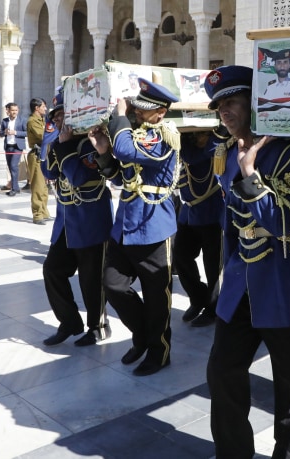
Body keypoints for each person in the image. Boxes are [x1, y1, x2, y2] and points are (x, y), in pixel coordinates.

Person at [202, 65, 290, 458]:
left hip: (287, 284)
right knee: (223, 372)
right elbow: (229, 224)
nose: (224, 113)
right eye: (219, 107)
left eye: (231, 103)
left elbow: (285, 222)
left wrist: (250, 175)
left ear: (255, 102)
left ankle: (287, 453)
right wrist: (227, 277)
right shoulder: (225, 154)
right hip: (241, 284)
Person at [89, 78, 180, 376]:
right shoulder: (135, 135)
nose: (137, 114)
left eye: (143, 111)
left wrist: (118, 117)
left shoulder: (166, 138)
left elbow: (127, 153)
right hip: (125, 225)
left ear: (161, 113)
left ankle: (159, 351)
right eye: (135, 109)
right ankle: (142, 336)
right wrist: (104, 152)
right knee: (114, 285)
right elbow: (120, 176)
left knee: (157, 298)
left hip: (153, 226)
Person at [40, 88, 113, 347]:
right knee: (52, 270)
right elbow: (48, 172)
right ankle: (69, 322)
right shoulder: (58, 142)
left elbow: (79, 177)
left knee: (91, 279)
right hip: (66, 222)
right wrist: (52, 142)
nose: (59, 121)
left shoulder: (88, 143)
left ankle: (98, 326)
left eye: (62, 116)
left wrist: (66, 147)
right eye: (56, 117)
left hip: (90, 220)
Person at [174, 127, 225, 327]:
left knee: (214, 266)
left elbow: (193, 156)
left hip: (213, 211)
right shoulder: (187, 144)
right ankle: (198, 298)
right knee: (181, 256)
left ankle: (214, 309)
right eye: (194, 135)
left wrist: (186, 141)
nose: (198, 138)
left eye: (200, 134)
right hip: (189, 211)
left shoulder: (216, 143)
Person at [26, 97, 51, 224]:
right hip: (36, 155)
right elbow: (43, 136)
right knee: (37, 185)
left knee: (45, 186)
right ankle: (37, 214)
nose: (45, 109)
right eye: (43, 106)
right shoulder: (32, 121)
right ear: (37, 108)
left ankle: (44, 211)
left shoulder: (42, 120)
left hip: (43, 155)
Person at [0, 102, 27, 196]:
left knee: (13, 166)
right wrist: (4, 132)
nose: (14, 112)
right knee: (10, 167)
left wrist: (15, 132)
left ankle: (14, 188)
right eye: (12, 110)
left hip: (17, 147)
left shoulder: (22, 120)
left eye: (16, 110)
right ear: (8, 111)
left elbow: (27, 133)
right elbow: (0, 133)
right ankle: (15, 187)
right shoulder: (5, 121)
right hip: (8, 146)